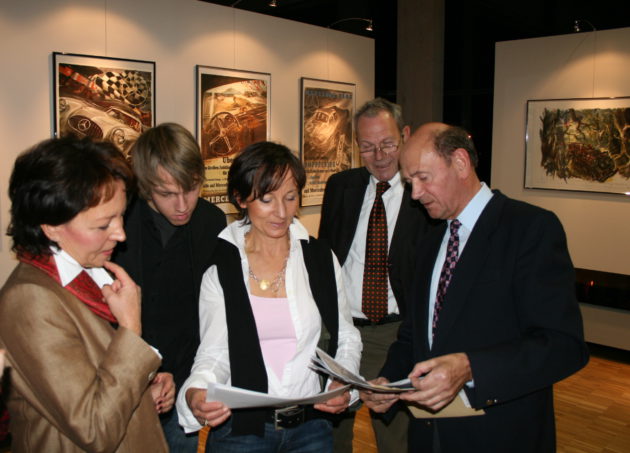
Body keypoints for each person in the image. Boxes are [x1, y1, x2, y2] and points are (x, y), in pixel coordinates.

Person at [361, 122, 589, 453]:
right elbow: (414, 336)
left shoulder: (529, 229)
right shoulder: (430, 240)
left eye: (424, 178)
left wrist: (470, 368)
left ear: (460, 163)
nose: (415, 194)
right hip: (428, 436)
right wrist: (389, 381)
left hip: (499, 435)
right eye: (410, 183)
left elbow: (563, 346)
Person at [176, 141, 362, 452]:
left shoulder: (318, 258)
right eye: (266, 199)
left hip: (311, 428)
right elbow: (215, 352)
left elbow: (346, 337)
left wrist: (341, 382)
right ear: (240, 199)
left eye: (290, 198)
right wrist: (197, 390)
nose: (281, 212)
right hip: (242, 431)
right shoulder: (222, 268)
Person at [0, 137, 169, 452]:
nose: (120, 233)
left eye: (121, 216)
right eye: (103, 225)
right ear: (51, 227)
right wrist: (131, 330)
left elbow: (100, 378)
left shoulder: (88, 272)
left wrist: (146, 384)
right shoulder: (29, 299)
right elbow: (94, 428)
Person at [318, 98, 432, 452]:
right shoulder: (341, 187)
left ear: (406, 136)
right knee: (332, 432)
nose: (379, 156)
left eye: (387, 144)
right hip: (341, 331)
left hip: (395, 335)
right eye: (367, 147)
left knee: (394, 437)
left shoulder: (423, 193)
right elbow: (326, 256)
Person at [113, 122, 227, 452]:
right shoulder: (119, 222)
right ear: (146, 187)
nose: (182, 205)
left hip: (182, 382)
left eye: (191, 189)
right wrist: (142, 377)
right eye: (167, 193)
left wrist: (189, 379)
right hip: (126, 383)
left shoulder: (211, 221)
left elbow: (208, 311)